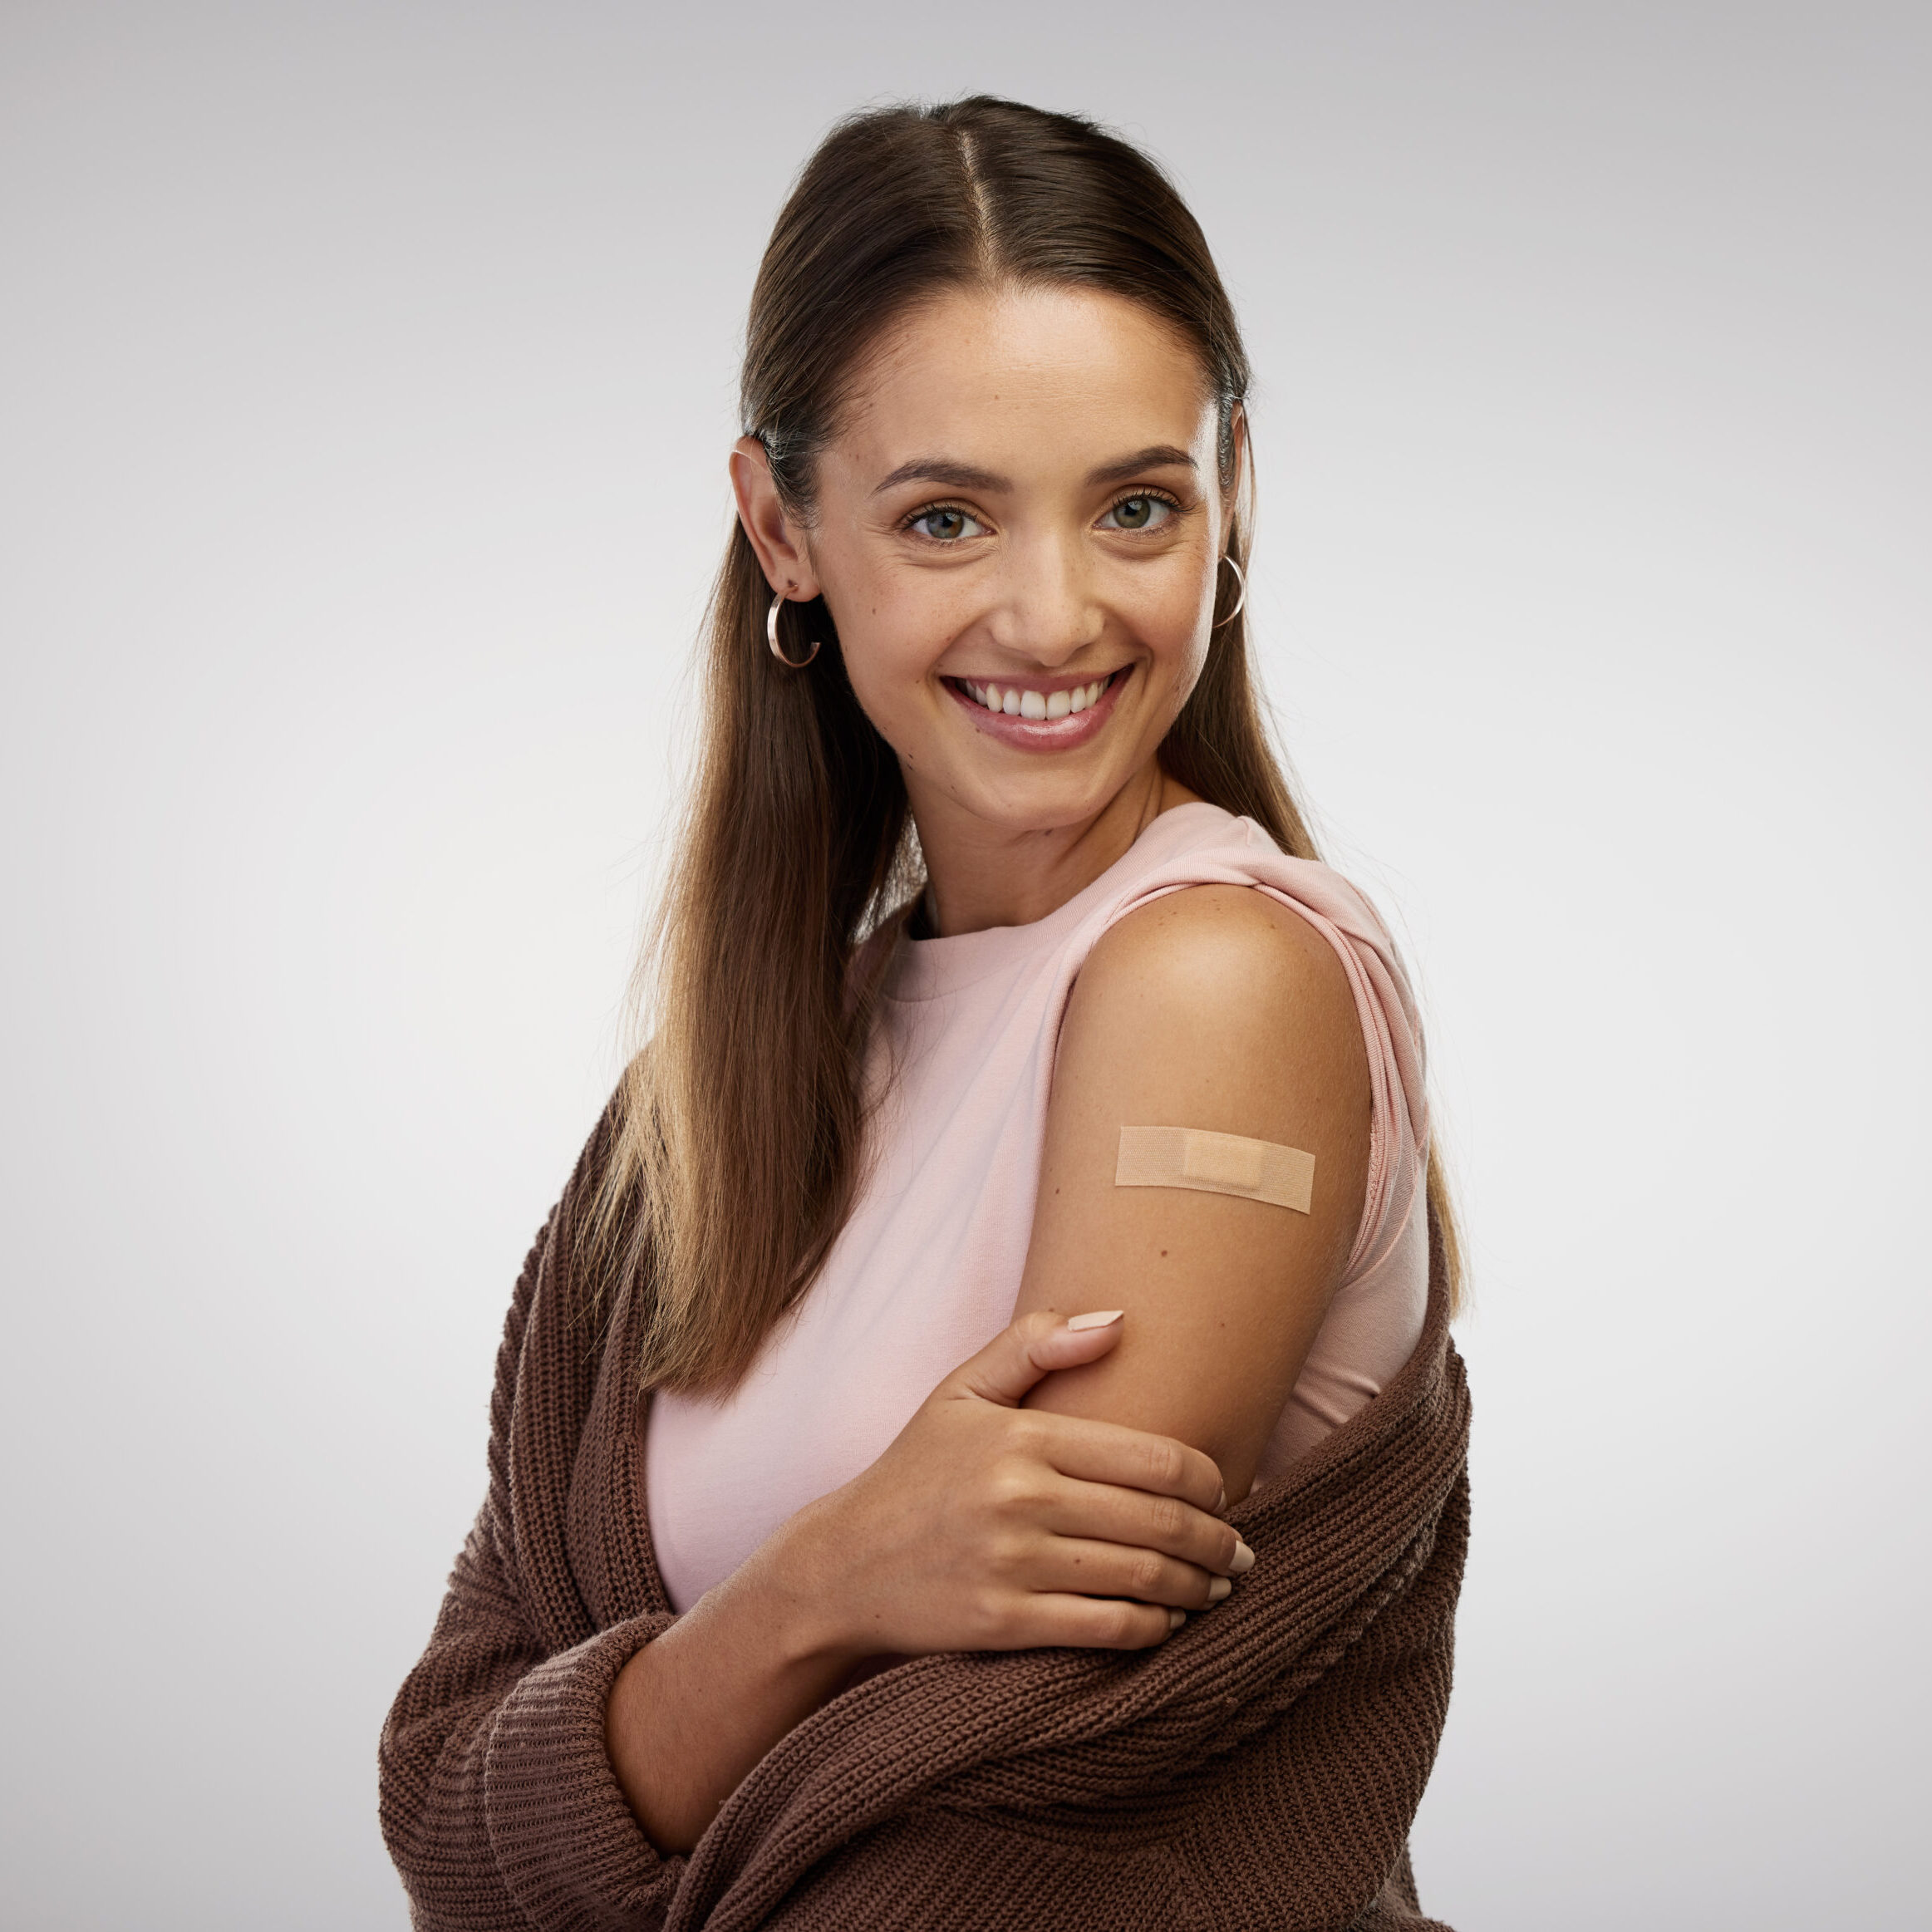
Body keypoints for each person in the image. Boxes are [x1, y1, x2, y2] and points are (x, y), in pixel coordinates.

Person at [381, 96, 1468, 1930]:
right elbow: (447, 1792)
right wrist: (828, 1581)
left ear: (1235, 498)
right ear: (781, 525)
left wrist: (659, 1737)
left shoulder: (1215, 976)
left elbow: (1013, 1826)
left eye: (1135, 503)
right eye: (946, 516)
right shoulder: (717, 1092)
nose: (1051, 616)